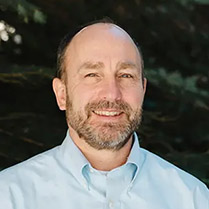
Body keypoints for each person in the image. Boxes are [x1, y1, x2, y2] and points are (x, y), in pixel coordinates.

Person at [0, 19, 208, 209]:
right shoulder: (9, 196)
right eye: (92, 75)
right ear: (61, 94)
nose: (112, 93)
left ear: (143, 90)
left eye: (126, 75)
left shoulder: (193, 199)